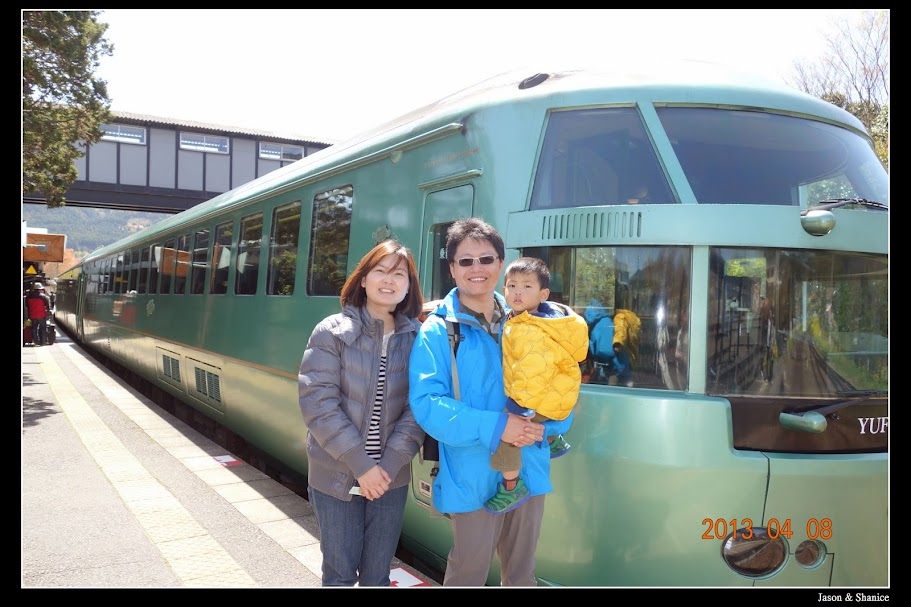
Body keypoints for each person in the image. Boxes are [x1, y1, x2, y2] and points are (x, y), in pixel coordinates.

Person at [409, 218, 570, 586]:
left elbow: (559, 381)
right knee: (468, 573)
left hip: (529, 464)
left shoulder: (532, 321)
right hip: (472, 474)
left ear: (501, 263)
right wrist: (498, 426)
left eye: (486, 259)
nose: (476, 269)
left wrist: (550, 428)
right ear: (452, 269)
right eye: (465, 261)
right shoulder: (438, 329)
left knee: (521, 575)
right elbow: (428, 404)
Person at [298, 240, 426, 587]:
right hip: (336, 472)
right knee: (339, 575)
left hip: (390, 477)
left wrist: (386, 466)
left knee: (377, 576)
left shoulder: (418, 338)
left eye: (399, 274)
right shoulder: (331, 332)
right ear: (364, 279)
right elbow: (318, 403)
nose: (390, 280)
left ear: (408, 286)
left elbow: (419, 408)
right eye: (381, 271)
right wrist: (362, 464)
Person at [485, 257, 589, 514]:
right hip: (556, 394)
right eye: (511, 286)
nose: (517, 292)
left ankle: (511, 485)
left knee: (505, 431)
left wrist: (517, 408)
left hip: (537, 396)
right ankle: (553, 439)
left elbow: (531, 373)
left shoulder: (527, 329)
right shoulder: (544, 319)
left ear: (543, 293)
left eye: (527, 286)